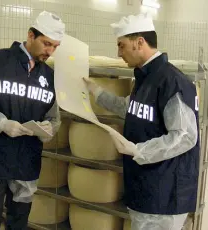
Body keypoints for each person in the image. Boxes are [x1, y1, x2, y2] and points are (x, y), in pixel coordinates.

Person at [84, 13, 200, 230]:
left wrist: (139, 150)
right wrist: (97, 92)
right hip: (145, 185)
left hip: (165, 193)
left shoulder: (171, 81)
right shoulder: (145, 78)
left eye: (122, 45)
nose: (119, 53)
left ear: (139, 42)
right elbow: (131, 109)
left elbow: (185, 136)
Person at [0, 11, 65, 230]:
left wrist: (49, 127)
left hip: (25, 161)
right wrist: (1, 123)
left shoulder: (49, 76)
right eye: (47, 44)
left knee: (19, 221)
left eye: (55, 46)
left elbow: (54, 116)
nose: (50, 51)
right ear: (30, 35)